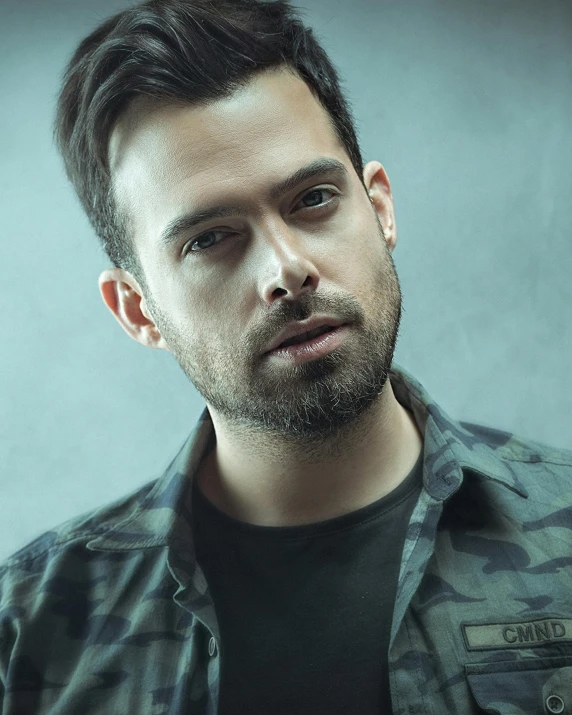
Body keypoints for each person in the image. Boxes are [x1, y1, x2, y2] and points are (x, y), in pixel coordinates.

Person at [1, 0, 571, 712]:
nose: (286, 268)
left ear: (380, 209)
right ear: (137, 309)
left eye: (314, 198)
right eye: (209, 239)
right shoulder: (29, 632)